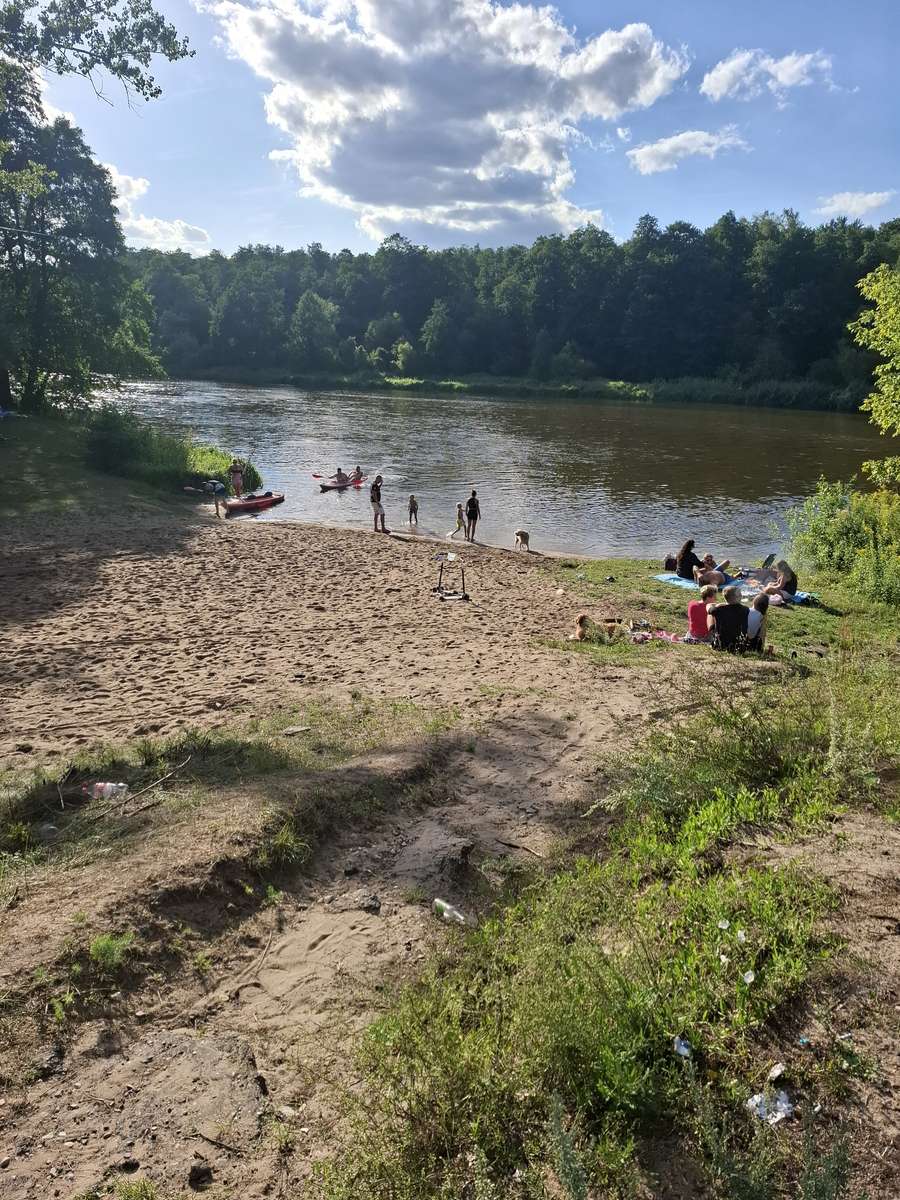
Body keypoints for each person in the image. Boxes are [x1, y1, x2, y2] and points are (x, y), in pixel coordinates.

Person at [708, 584, 749, 652]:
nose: (741, 596)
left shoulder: (718, 609)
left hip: (720, 646)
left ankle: (710, 632)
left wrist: (719, 605)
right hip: (739, 646)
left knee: (710, 614)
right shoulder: (745, 610)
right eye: (739, 594)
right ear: (737, 597)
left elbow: (708, 606)